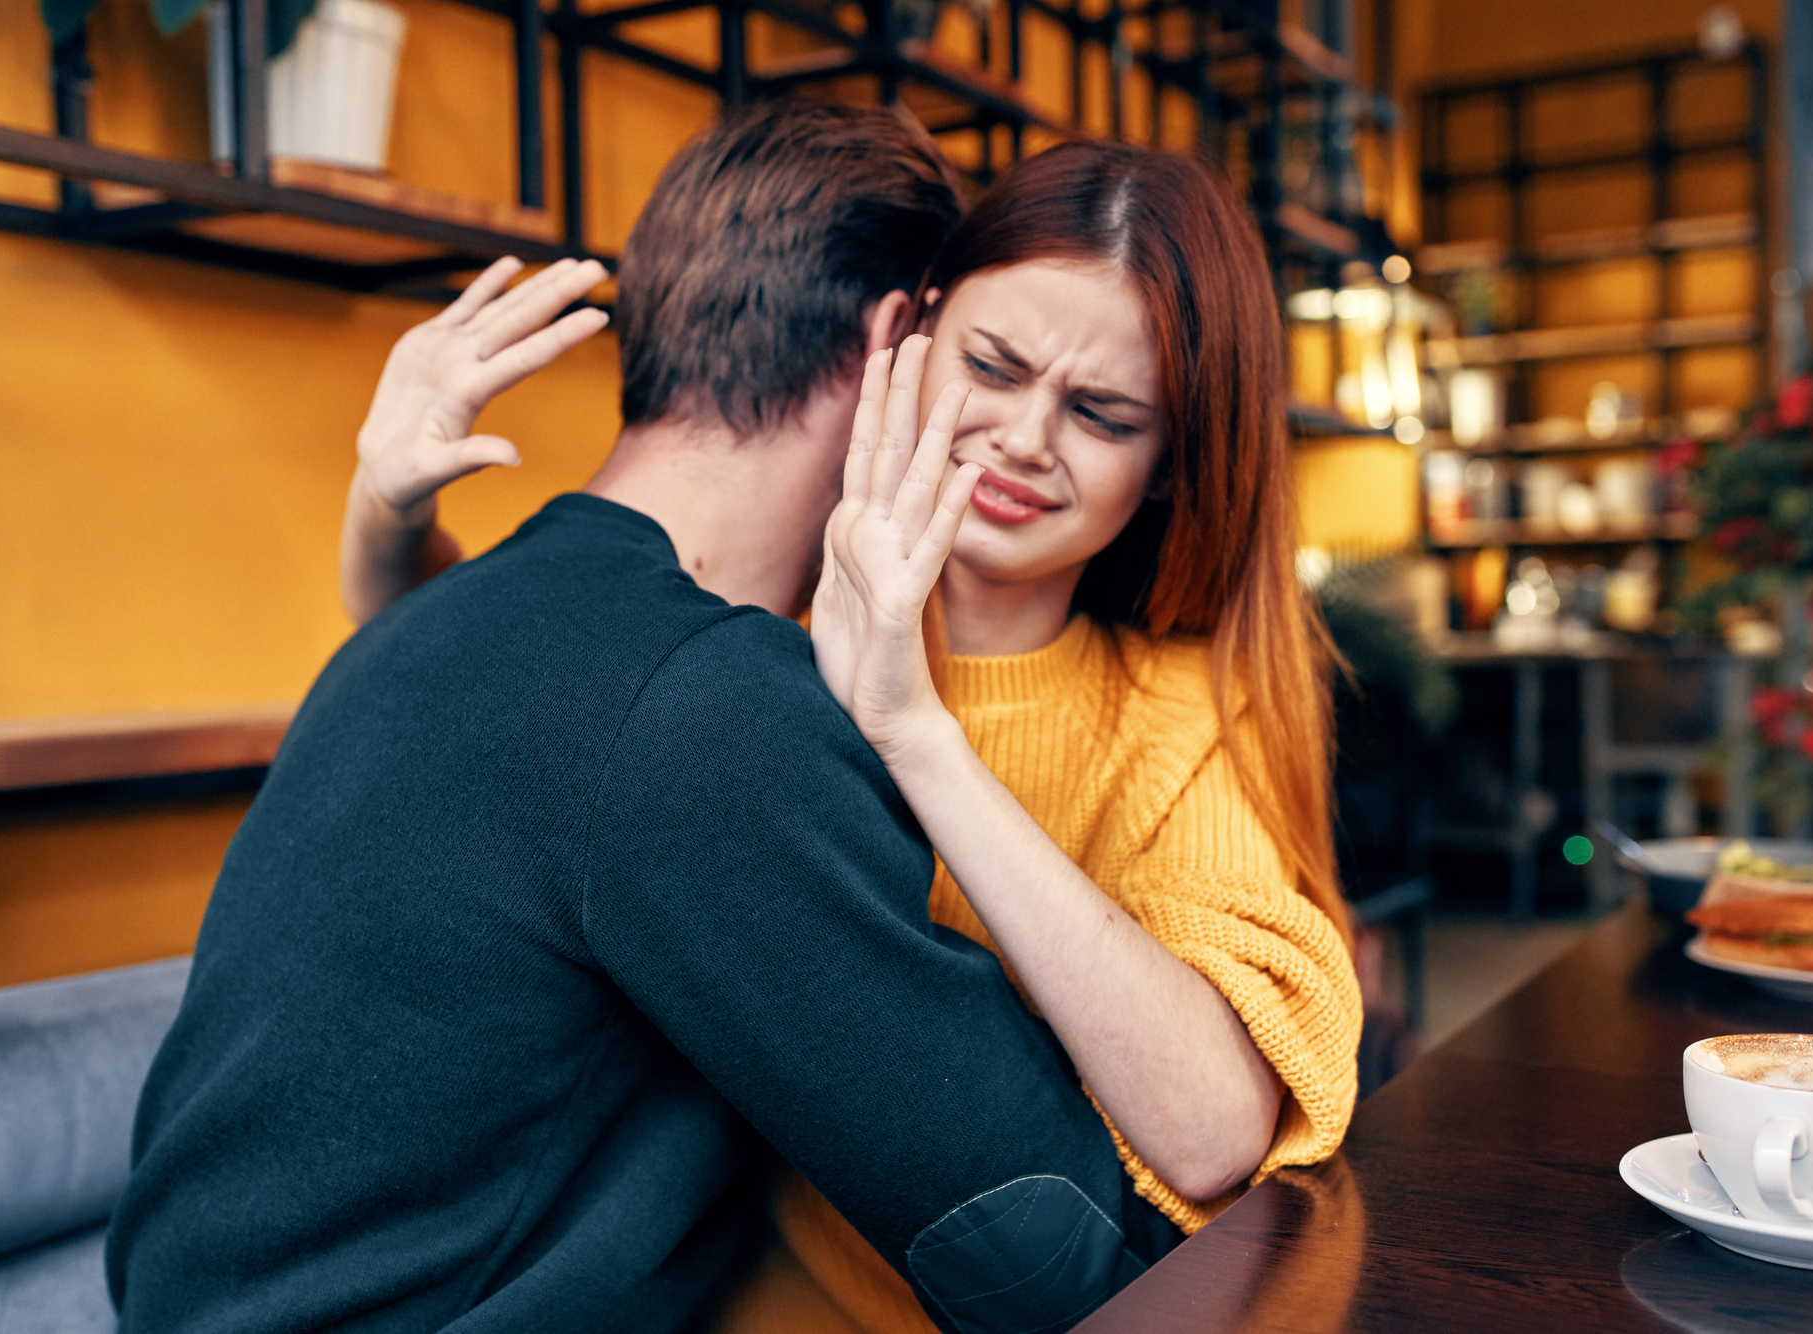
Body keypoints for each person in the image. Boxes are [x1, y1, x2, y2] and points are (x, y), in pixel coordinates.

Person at [105, 100, 1185, 1334]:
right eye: (975, 359)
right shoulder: (706, 706)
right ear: (899, 343)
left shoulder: (441, 617)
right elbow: (1054, 1247)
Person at [346, 138, 1363, 1334]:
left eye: (1101, 413)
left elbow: (1207, 1129)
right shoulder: (753, 632)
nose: (1027, 437)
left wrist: (912, 730)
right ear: (909, 338)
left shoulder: (1172, 712)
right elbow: (512, 711)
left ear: (1164, 470)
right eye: (993, 363)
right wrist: (383, 508)